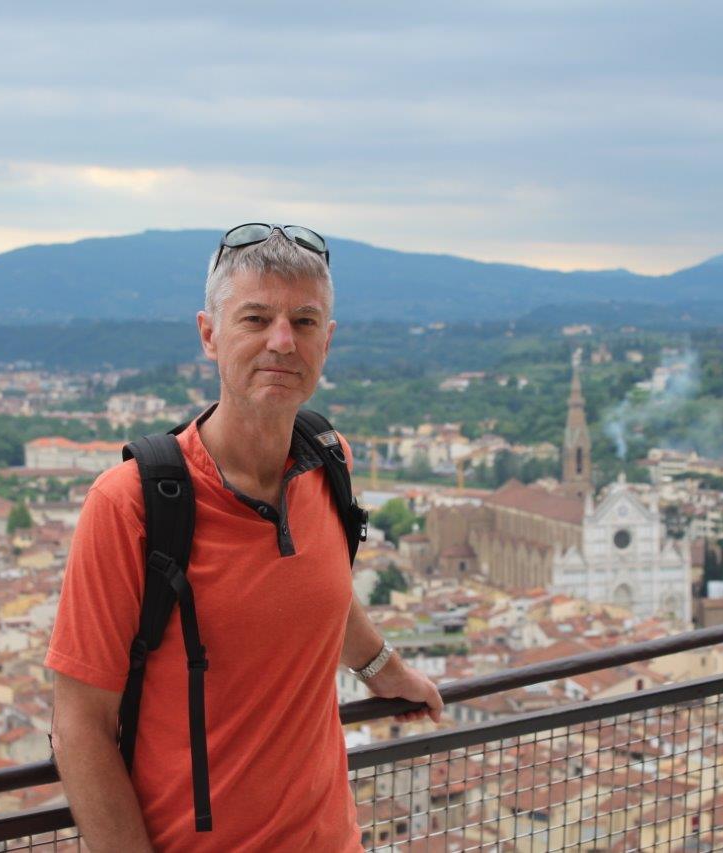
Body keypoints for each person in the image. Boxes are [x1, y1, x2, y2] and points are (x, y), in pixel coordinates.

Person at [45, 223, 445, 851]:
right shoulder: (129, 505)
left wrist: (382, 669)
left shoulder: (328, 460)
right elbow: (78, 728)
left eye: (305, 323)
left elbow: (320, 584)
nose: (281, 342)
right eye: (256, 319)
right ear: (209, 334)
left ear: (327, 342)